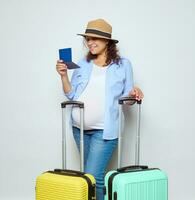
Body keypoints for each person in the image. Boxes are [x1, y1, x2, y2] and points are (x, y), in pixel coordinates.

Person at [55, 18, 144, 200]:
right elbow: (71, 95)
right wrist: (63, 76)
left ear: (107, 41)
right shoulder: (83, 64)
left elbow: (127, 99)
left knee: (93, 177)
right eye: (87, 39)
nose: (90, 42)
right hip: (79, 130)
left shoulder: (123, 65)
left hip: (104, 130)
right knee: (91, 179)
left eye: (95, 38)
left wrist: (134, 92)